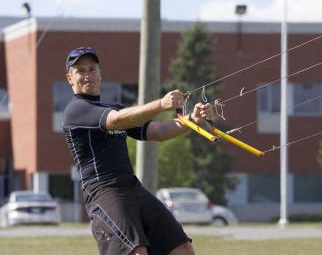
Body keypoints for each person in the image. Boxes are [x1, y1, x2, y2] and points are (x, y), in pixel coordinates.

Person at [62, 47, 212, 255]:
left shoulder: (113, 107)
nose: (87, 75)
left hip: (132, 187)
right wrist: (160, 104)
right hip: (104, 192)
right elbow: (116, 120)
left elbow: (158, 131)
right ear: (70, 78)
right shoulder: (76, 110)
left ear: (100, 73)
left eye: (92, 69)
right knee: (137, 252)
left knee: (182, 248)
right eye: (80, 71)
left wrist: (192, 121)